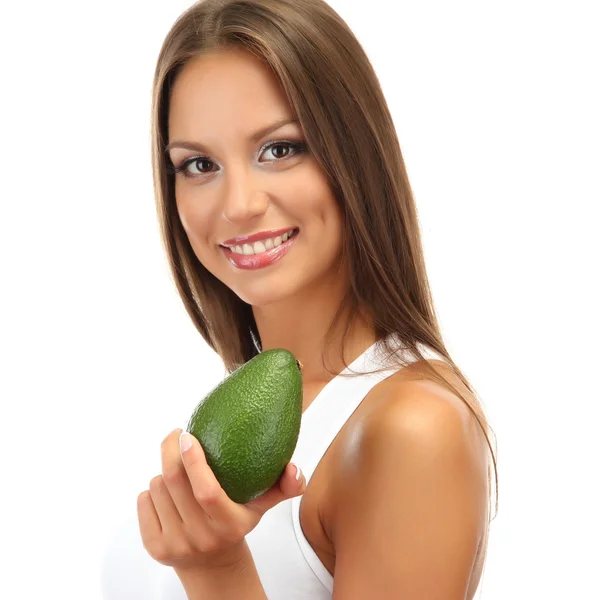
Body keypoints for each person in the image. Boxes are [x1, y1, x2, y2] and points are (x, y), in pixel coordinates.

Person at [101, 0, 498, 598]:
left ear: (354, 156)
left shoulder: (414, 428)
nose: (237, 204)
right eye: (199, 163)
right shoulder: (244, 413)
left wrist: (217, 572)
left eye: (280, 149)